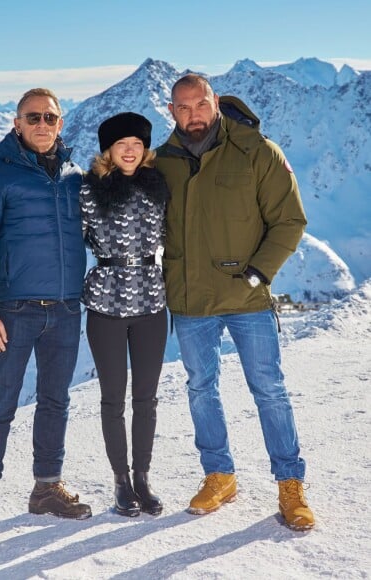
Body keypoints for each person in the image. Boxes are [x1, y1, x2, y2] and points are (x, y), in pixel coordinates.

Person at [156, 74, 315, 531]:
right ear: (171, 111)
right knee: (200, 388)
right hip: (190, 300)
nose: (192, 114)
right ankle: (220, 475)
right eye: (182, 107)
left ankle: (290, 484)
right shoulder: (162, 162)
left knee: (268, 388)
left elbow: (289, 220)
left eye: (200, 104)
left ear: (216, 103)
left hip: (247, 296)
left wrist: (259, 272)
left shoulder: (257, 151)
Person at [0, 88, 91, 548]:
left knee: (56, 401)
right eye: (32, 117)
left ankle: (46, 487)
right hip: (12, 312)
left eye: (49, 117)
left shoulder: (75, 177)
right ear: (16, 123)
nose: (41, 124)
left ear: (61, 123)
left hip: (66, 308)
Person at [82, 112, 169, 517]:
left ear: (145, 149)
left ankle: (143, 478)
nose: (130, 149)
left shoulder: (159, 187)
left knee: (146, 399)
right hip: (107, 303)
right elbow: (68, 240)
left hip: (151, 301)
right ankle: (120, 481)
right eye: (122, 144)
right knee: (113, 398)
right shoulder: (88, 190)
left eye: (137, 143)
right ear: (109, 151)